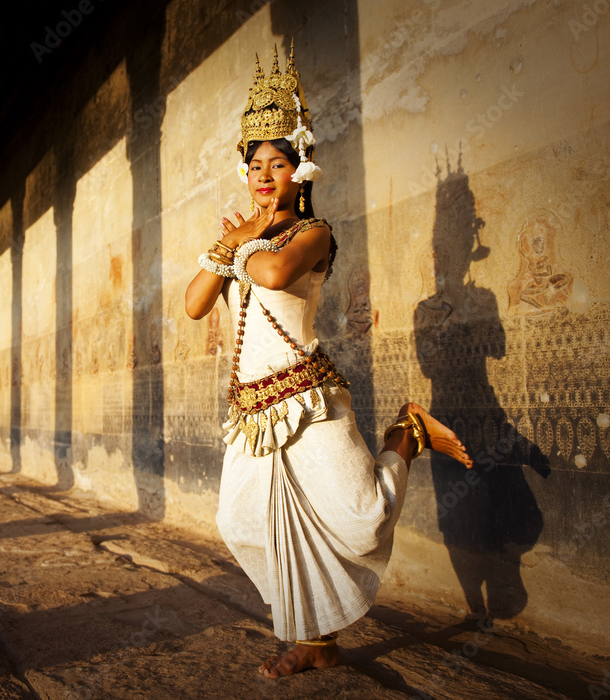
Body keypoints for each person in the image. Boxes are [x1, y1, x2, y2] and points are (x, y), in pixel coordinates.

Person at [184, 43, 473, 679]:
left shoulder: (314, 234)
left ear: (301, 169)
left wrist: (241, 239)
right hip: (253, 413)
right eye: (254, 165)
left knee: (364, 520)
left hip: (309, 400)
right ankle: (316, 641)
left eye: (277, 163)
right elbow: (194, 304)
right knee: (243, 521)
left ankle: (407, 433)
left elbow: (272, 272)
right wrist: (228, 246)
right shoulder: (238, 243)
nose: (264, 176)